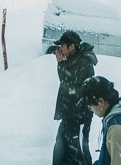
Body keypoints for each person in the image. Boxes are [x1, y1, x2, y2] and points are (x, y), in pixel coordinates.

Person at [51, 30, 98, 165]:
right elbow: (67, 84)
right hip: (68, 113)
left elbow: (75, 90)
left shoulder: (84, 63)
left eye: (63, 47)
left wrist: (62, 65)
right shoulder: (72, 60)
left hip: (79, 116)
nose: (60, 50)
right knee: (60, 148)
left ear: (72, 46)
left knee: (78, 151)